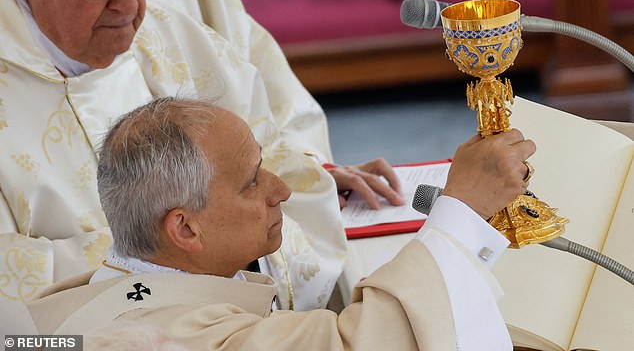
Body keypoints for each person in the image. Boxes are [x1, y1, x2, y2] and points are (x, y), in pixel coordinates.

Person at [0, 0, 403, 310]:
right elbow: (17, 294)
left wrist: (295, 184)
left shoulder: (173, 35)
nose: (131, 6)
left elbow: (285, 167)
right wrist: (209, 241)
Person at [27, 97, 535, 350]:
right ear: (184, 229)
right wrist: (462, 211)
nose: (282, 190)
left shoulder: (74, 306)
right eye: (251, 181)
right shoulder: (185, 339)